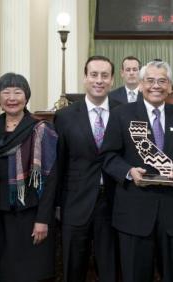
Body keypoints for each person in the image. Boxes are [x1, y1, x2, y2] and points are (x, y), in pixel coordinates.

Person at [102, 60, 173, 282]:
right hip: (133, 213)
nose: (156, 86)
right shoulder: (121, 115)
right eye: (150, 80)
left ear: (170, 86)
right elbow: (108, 156)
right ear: (142, 84)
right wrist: (128, 172)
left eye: (162, 81)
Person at [50, 55, 119, 282]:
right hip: (75, 204)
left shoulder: (125, 113)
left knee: (110, 269)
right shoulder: (64, 117)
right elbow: (57, 165)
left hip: (114, 204)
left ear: (112, 80)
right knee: (73, 268)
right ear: (84, 78)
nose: (99, 80)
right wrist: (56, 205)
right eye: (94, 75)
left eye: (105, 75)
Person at [0, 73, 57, 281]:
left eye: (17, 92)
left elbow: (50, 178)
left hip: (33, 211)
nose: (12, 97)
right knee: (6, 268)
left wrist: (43, 219)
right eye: (6, 92)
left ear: (26, 98)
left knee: (32, 271)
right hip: (1, 209)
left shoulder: (41, 129)